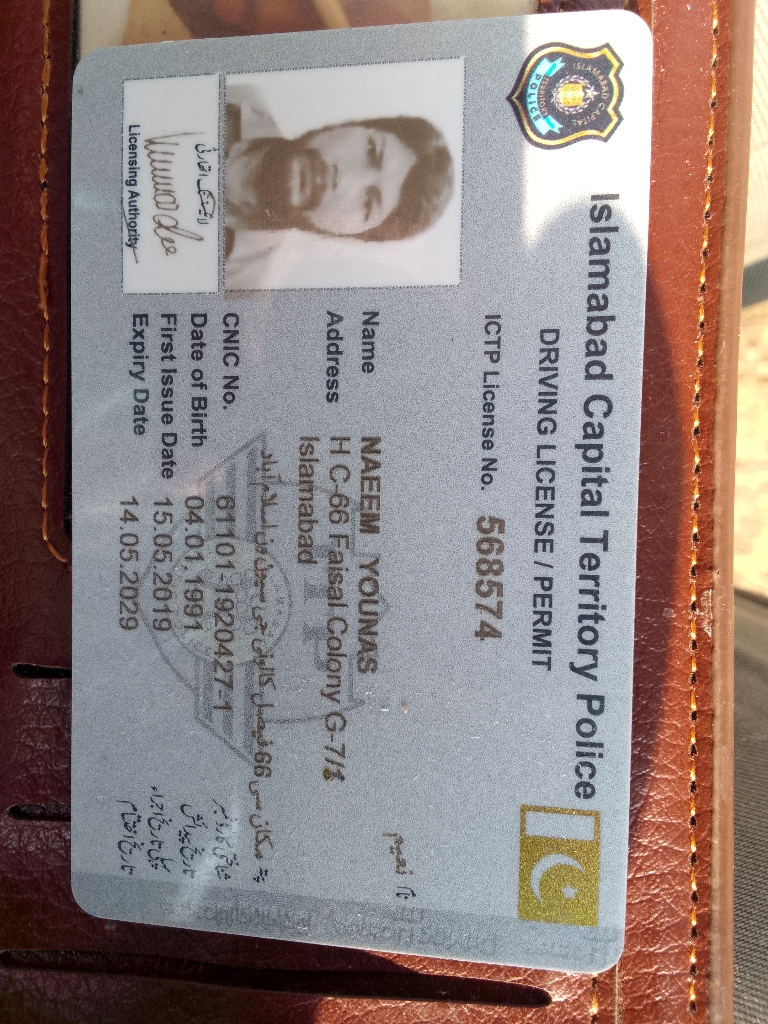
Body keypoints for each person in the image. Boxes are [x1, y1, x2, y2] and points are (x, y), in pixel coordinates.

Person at [224, 86, 454, 288]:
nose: (344, 178)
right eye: (371, 149)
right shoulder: (234, 93)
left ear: (350, 235)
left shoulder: (241, 287)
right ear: (347, 125)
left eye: (368, 204)